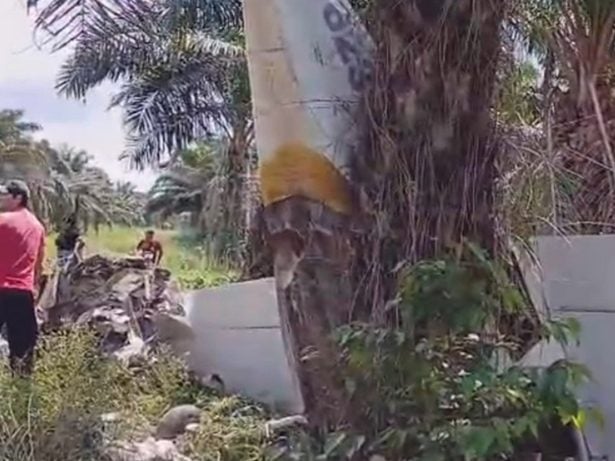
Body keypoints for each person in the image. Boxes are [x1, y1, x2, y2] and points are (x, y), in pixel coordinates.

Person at [0, 180, 45, 375]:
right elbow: (38, 266)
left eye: (5, 195)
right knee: (23, 350)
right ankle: (22, 395)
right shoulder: (38, 227)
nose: (1, 198)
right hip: (23, 293)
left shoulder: (3, 221)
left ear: (18, 198)